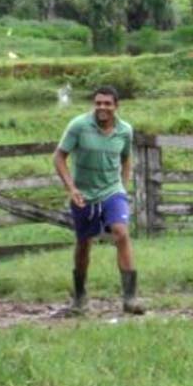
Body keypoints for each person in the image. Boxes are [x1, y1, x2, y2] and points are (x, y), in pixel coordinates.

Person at [53, 85, 145, 315]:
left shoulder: (125, 131)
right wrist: (71, 188)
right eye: (98, 103)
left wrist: (123, 187)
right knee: (84, 243)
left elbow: (125, 159)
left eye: (107, 104)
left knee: (121, 233)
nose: (102, 108)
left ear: (116, 106)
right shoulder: (79, 126)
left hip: (112, 191)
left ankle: (130, 298)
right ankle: (80, 298)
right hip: (83, 193)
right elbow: (59, 157)